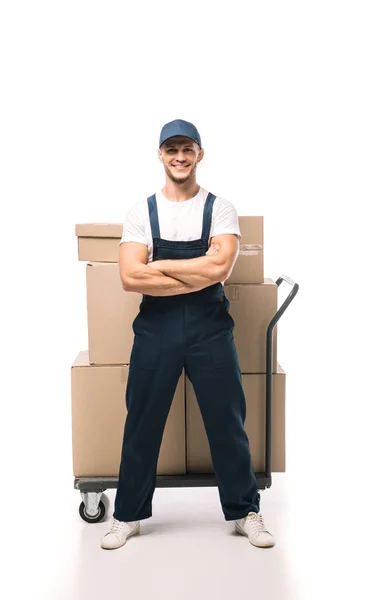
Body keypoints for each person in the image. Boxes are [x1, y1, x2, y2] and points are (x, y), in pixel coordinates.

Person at [100, 119, 275, 550]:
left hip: (210, 329)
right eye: (171, 148)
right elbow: (128, 277)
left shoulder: (221, 208)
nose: (179, 156)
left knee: (227, 420)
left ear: (200, 154)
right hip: (156, 329)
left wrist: (158, 266)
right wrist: (194, 269)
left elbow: (220, 269)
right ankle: (128, 515)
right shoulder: (141, 211)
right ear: (160, 155)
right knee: (142, 421)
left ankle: (244, 511)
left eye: (187, 148)